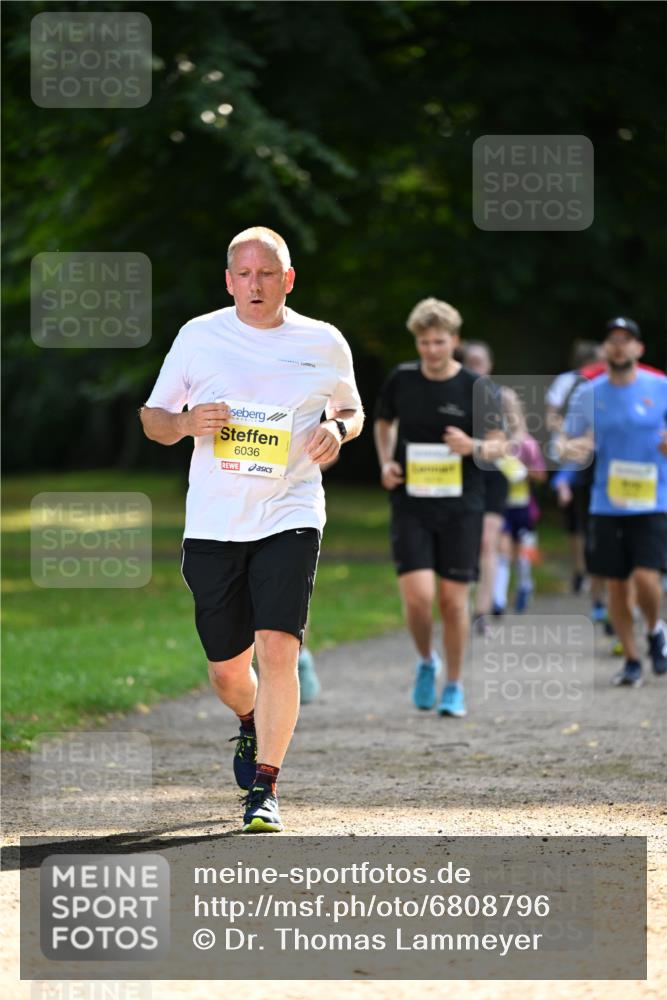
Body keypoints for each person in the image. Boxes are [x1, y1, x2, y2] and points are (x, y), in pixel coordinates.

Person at [140, 226, 363, 831]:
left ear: (288, 280)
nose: (255, 285)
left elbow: (351, 408)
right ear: (228, 281)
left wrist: (337, 429)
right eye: (244, 274)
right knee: (227, 671)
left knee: (278, 647)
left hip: (291, 512)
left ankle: (265, 788)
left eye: (266, 274)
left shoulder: (323, 341)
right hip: (214, 522)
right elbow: (153, 419)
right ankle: (249, 721)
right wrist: (186, 424)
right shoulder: (199, 336)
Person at [374, 298, 504, 718]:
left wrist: (473, 445)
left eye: (440, 342)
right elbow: (383, 422)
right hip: (411, 501)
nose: (431, 350)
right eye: (424, 342)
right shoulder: (402, 379)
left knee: (452, 601)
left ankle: (454, 685)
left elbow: (500, 444)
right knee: (418, 598)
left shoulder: (476, 387)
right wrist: (387, 462)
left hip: (462, 505)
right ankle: (427, 660)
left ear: (455, 341)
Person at [562, 317, 667, 687]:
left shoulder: (661, 387)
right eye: (612, 340)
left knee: (646, 577)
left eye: (626, 340)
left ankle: (654, 628)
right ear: (604, 349)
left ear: (639, 348)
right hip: (606, 501)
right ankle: (632, 659)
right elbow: (564, 443)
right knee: (617, 585)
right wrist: (575, 448)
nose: (619, 346)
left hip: (653, 499)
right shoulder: (589, 394)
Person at [460, 341, 509, 632]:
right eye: (470, 361)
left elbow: (519, 433)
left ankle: (481, 611)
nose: (475, 366)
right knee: (465, 541)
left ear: (489, 365)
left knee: (487, 542)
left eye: (480, 361)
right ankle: (461, 606)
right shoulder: (455, 392)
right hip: (464, 473)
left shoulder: (504, 396)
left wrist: (508, 445)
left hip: (494, 475)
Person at [493, 399, 547, 613]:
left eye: (512, 414)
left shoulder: (527, 444)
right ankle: (498, 599)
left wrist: (524, 470)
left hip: (523, 506)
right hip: (501, 506)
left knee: (523, 550)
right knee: (503, 549)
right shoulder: (494, 443)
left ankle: (525, 584)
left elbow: (541, 475)